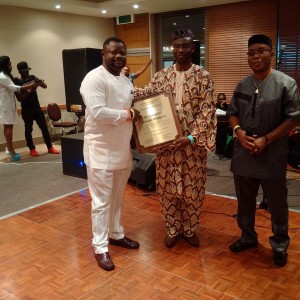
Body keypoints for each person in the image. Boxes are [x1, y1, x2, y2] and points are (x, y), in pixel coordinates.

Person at [135, 29, 216, 248]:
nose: (181, 49)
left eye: (185, 45)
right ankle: (172, 228)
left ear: (192, 48)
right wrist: (121, 85)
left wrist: (190, 137)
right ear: (172, 47)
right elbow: (145, 97)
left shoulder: (203, 76)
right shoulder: (161, 76)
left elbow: (207, 111)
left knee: (193, 189)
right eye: (177, 45)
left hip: (192, 147)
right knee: (167, 189)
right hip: (167, 147)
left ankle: (189, 229)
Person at [226, 34, 300, 267]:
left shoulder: (286, 83)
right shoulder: (243, 84)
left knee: (277, 202)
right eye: (251, 52)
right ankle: (248, 236)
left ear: (272, 53)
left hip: (272, 154)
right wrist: (238, 132)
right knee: (244, 200)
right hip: (243, 152)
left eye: (261, 51)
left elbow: (294, 119)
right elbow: (232, 113)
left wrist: (266, 139)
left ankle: (279, 243)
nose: (256, 56)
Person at [80, 37, 141, 271]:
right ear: (103, 54)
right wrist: (129, 114)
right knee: (101, 203)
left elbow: (135, 111)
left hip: (122, 152)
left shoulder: (125, 80)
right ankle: (100, 247)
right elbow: (98, 113)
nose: (118, 56)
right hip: (100, 152)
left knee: (117, 200)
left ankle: (116, 234)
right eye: (113, 52)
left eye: (122, 53)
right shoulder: (93, 78)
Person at [14, 61, 59, 156]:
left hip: (36, 107)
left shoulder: (33, 77)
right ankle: (32, 149)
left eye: (27, 70)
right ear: (20, 71)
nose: (27, 72)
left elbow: (45, 86)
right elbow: (20, 98)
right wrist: (31, 90)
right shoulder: (17, 82)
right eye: (24, 71)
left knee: (44, 127)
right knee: (28, 129)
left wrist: (41, 83)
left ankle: (50, 147)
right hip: (26, 109)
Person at [0, 56, 38, 161]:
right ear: (4, 66)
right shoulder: (2, 76)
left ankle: (8, 147)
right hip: (5, 106)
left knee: (8, 126)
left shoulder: (6, 75)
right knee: (8, 127)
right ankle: (11, 150)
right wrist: (31, 85)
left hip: (8, 104)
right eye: (9, 64)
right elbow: (15, 88)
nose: (11, 66)